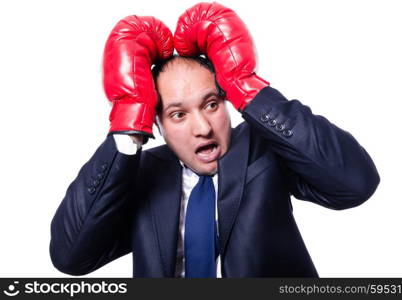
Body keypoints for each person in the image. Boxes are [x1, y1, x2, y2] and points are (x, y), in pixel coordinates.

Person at [50, 2, 380, 277]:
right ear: (157, 123)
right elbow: (70, 256)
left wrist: (246, 86)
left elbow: (355, 183)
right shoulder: (140, 174)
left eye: (211, 104)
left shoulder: (261, 148)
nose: (203, 128)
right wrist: (127, 120)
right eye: (178, 114)